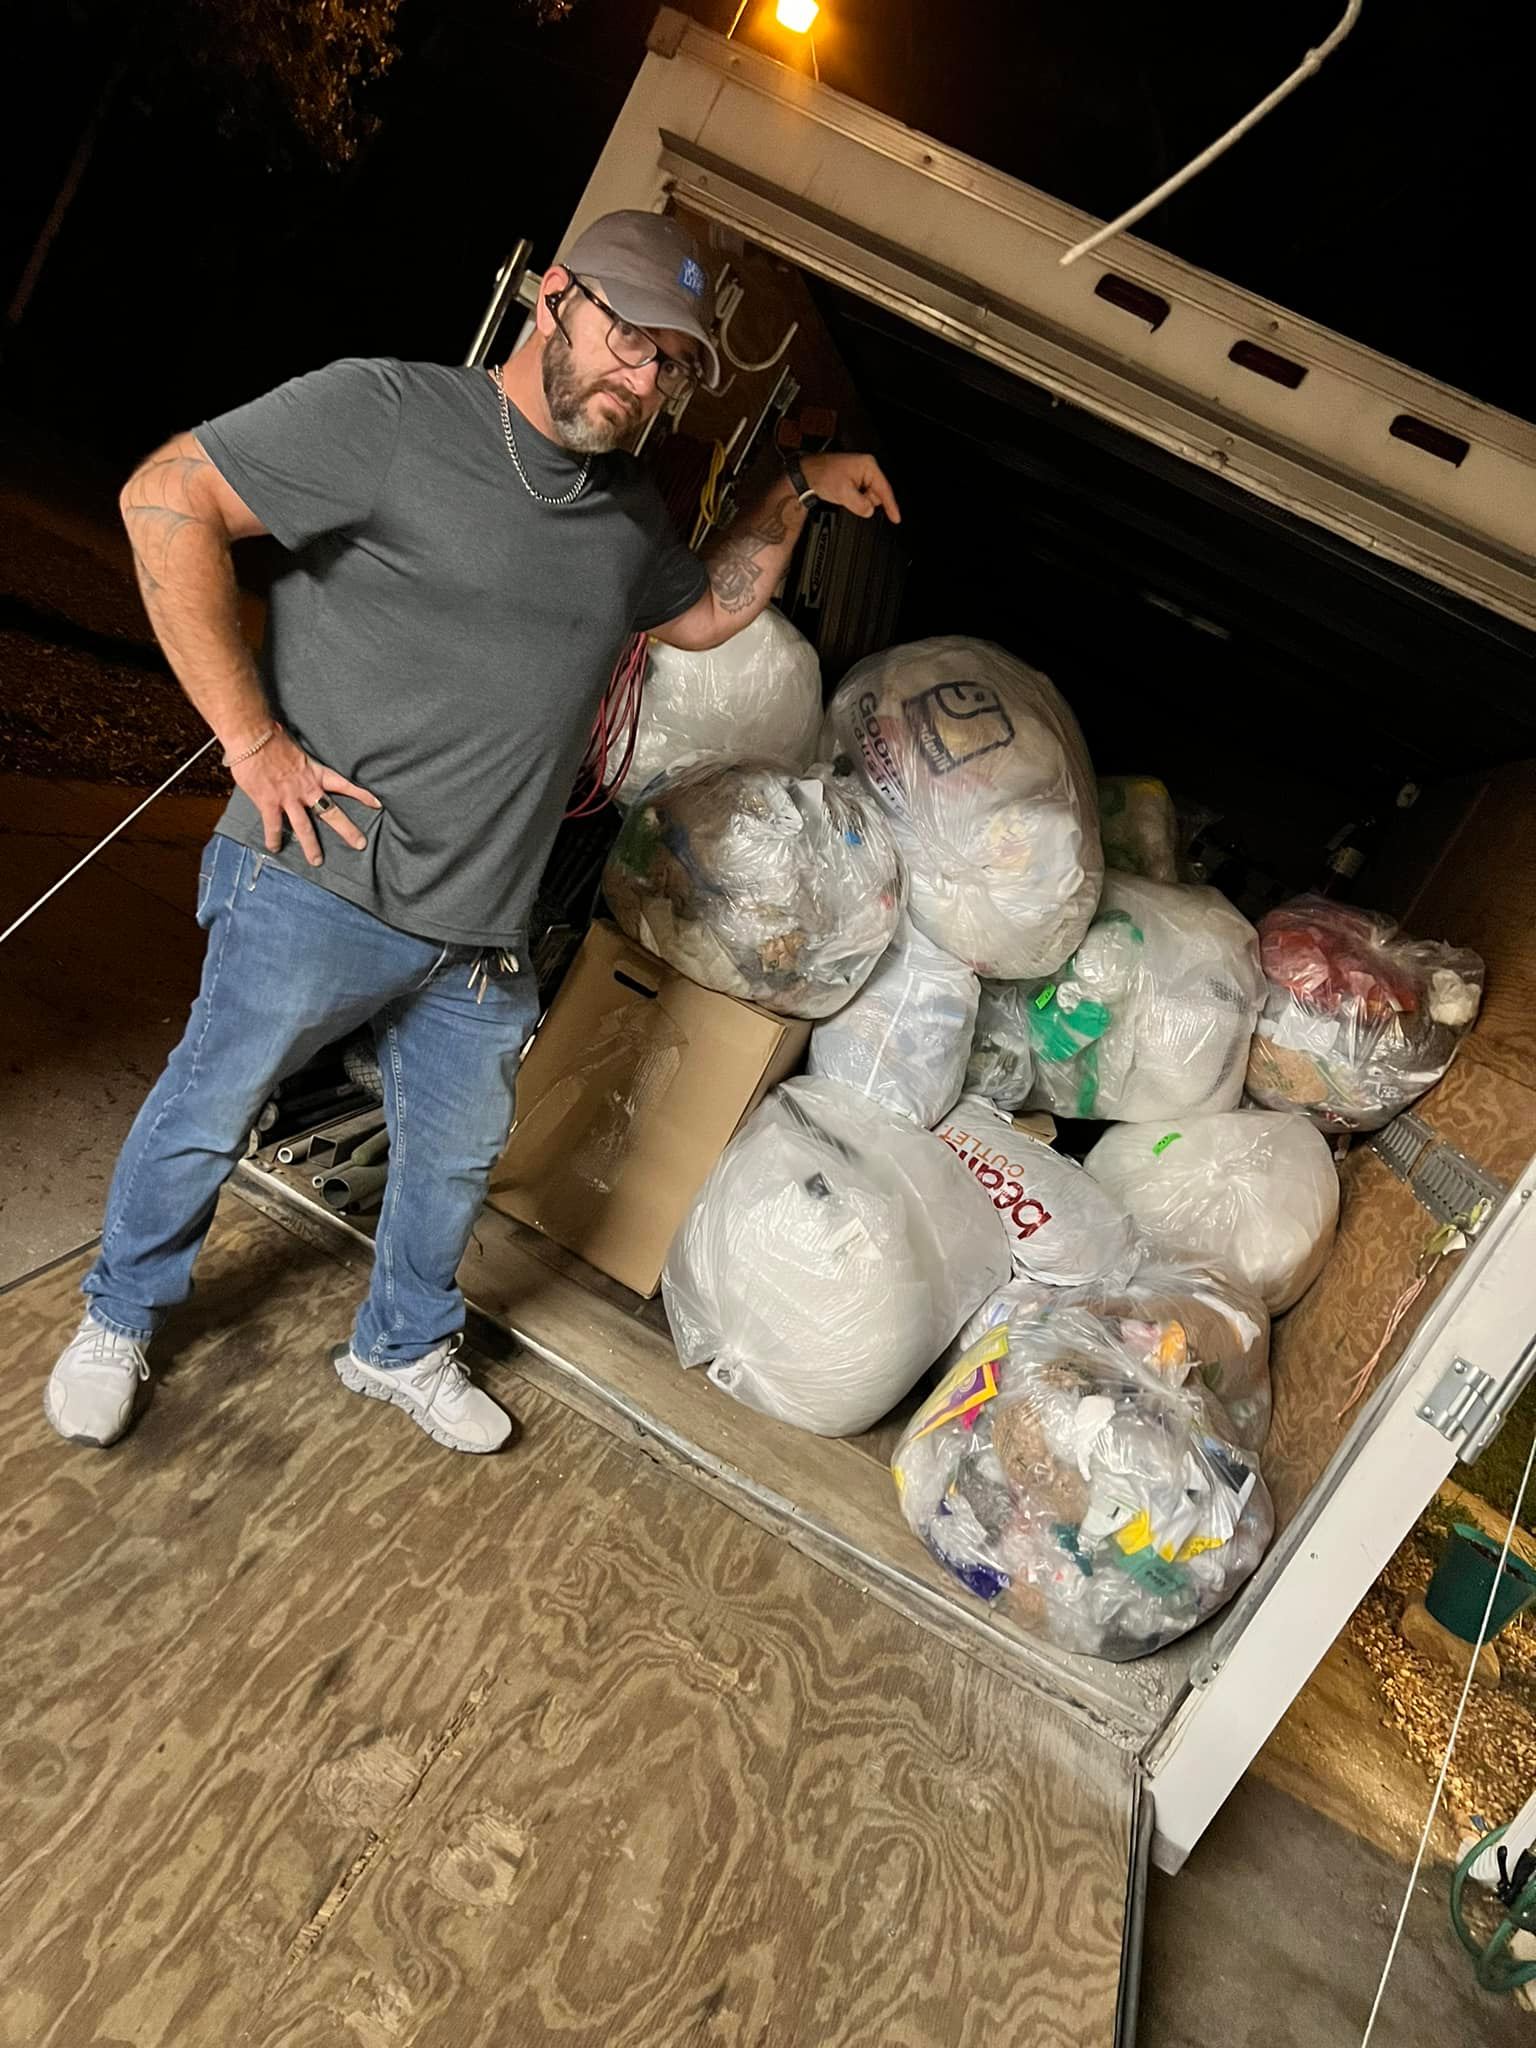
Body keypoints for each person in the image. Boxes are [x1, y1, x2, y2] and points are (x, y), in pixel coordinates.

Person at [43, 210, 899, 1456]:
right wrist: (252, 740)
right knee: (209, 1108)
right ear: (552, 300)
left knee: (450, 1160)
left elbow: (706, 613)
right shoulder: (389, 414)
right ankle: (119, 1314)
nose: (643, 380)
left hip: (480, 926)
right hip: (318, 877)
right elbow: (165, 498)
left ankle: (398, 1345)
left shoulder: (625, 513)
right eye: (628, 339)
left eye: (670, 365)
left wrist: (794, 488)